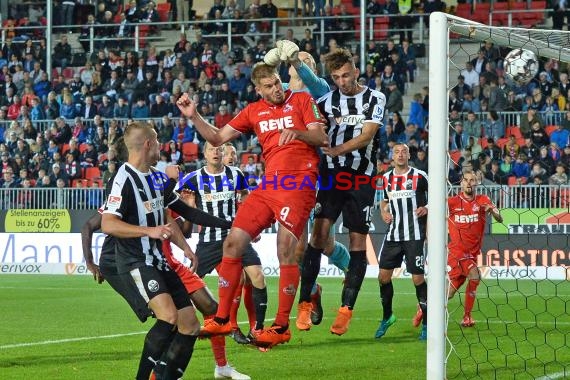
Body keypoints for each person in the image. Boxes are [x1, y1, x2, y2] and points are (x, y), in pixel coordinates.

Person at [176, 62, 329, 348]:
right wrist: (194, 116)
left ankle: (281, 326)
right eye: (269, 86)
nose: (277, 89)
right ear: (258, 90)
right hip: (269, 185)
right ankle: (222, 319)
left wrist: (297, 132)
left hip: (298, 182)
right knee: (233, 242)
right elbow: (217, 137)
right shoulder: (253, 111)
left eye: (278, 83)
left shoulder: (302, 100)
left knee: (285, 248)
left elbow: (321, 137)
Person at [295, 48, 386, 336]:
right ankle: (305, 303)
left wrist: (337, 149)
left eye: (346, 75)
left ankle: (346, 308)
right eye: (336, 77)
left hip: (362, 178)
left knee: (359, 241)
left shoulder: (375, 98)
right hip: (331, 176)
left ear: (356, 71)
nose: (342, 81)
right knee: (318, 235)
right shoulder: (326, 101)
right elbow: (308, 119)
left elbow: (368, 134)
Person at [101, 122, 200, 380]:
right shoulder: (122, 177)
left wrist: (186, 247)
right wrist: (149, 231)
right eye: (156, 140)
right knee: (168, 316)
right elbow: (107, 223)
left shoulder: (156, 176)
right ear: (147, 144)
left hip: (159, 259)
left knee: (190, 325)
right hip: (137, 259)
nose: (160, 145)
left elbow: (167, 217)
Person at [264, 40, 351, 326]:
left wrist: (298, 61)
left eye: (305, 61)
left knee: (324, 242)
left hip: (322, 172)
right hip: (291, 176)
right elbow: (264, 85)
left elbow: (313, 82)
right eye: (294, 61)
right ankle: (312, 292)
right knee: (297, 248)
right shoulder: (283, 95)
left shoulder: (321, 92)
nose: (299, 64)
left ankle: (353, 269)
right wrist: (271, 63)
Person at [179, 141, 267, 346]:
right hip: (209, 241)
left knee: (257, 276)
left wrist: (251, 226)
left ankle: (260, 330)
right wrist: (189, 205)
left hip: (235, 237)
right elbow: (181, 206)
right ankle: (181, 325)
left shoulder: (236, 174)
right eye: (211, 149)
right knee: (187, 282)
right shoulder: (193, 179)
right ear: (205, 154)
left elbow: (245, 199)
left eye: (218, 149)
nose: (215, 153)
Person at [375, 143, 429, 341]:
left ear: (408, 155)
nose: (400, 155)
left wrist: (427, 207)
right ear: (392, 156)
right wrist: (383, 212)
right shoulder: (387, 178)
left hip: (414, 235)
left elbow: (439, 196)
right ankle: (388, 316)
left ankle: (427, 323)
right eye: (397, 152)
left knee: (417, 279)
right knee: (383, 277)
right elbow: (384, 201)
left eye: (404, 152)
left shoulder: (420, 176)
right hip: (393, 235)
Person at [446, 171, 502, 327]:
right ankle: (467, 317)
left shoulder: (482, 200)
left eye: (472, 180)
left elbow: (500, 217)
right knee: (475, 276)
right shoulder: (452, 202)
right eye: (466, 180)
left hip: (472, 253)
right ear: (461, 183)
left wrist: (493, 211)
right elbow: (434, 211)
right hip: (457, 252)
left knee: (449, 293)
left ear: (477, 183)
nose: (469, 183)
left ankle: (422, 308)